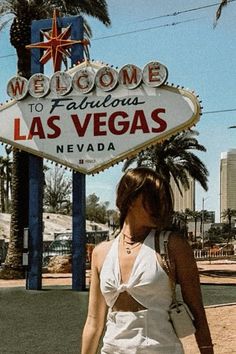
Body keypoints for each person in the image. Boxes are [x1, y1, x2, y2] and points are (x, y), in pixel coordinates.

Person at [81, 167, 214, 354]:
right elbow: (94, 321)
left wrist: (207, 350)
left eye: (164, 200)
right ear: (130, 199)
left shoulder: (173, 246)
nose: (161, 207)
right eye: (154, 199)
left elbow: (197, 310)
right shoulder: (101, 252)